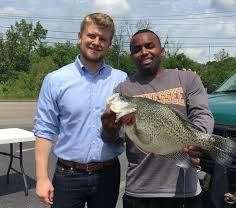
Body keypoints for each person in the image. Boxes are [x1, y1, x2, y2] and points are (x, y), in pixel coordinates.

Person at [101, 29, 214, 208]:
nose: (144, 52)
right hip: (139, 190)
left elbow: (202, 114)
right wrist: (108, 127)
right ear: (132, 56)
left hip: (184, 190)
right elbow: (112, 140)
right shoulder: (123, 91)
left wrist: (198, 139)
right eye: (137, 49)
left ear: (162, 50)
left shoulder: (187, 78)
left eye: (149, 46)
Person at [33, 12, 127, 208]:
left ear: (109, 44)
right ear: (79, 37)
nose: (96, 42)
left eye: (103, 38)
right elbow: (44, 130)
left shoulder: (121, 80)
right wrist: (42, 178)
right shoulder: (55, 80)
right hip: (68, 176)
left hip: (108, 174)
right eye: (91, 35)